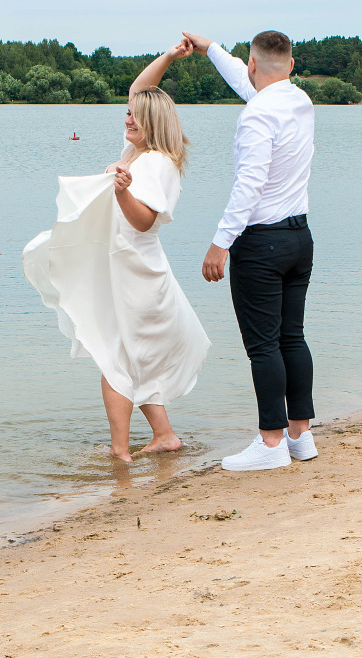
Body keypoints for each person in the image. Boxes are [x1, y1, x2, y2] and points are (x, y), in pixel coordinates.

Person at [23, 44, 210, 463]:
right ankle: (164, 436)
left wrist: (122, 190)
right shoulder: (137, 150)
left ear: (152, 124)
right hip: (122, 266)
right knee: (129, 358)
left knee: (115, 360)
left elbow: (144, 220)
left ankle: (120, 452)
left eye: (135, 116)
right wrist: (168, 56)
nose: (127, 119)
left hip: (137, 273)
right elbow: (139, 89)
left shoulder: (158, 163)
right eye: (126, 114)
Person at [182, 29, 317, 471]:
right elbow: (251, 83)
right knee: (291, 337)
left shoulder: (257, 116)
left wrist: (221, 243)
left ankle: (271, 443)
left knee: (263, 345)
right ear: (291, 66)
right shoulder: (300, 101)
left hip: (262, 242)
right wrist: (209, 49)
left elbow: (249, 183)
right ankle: (300, 436)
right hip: (300, 238)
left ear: (254, 64)